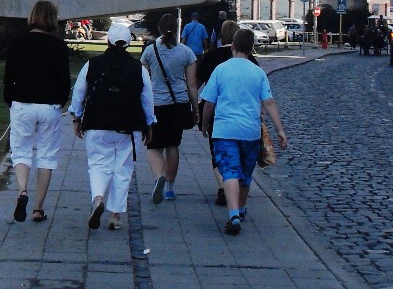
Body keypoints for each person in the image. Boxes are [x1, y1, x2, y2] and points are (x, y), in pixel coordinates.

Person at [200, 28, 288, 236]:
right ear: (251, 49)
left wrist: (204, 125)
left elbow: (209, 103)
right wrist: (280, 130)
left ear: (232, 46)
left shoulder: (221, 70)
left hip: (224, 130)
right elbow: (269, 102)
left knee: (229, 171)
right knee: (245, 174)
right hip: (250, 132)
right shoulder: (257, 72)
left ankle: (233, 215)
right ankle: (240, 208)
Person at [70, 24, 156, 231]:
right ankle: (115, 215)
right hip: (129, 125)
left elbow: (79, 93)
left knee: (98, 165)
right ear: (129, 43)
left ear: (107, 41)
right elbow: (147, 100)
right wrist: (149, 124)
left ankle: (98, 198)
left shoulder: (92, 65)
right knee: (123, 169)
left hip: (96, 123)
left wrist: (77, 118)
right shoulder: (138, 69)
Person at [3, 0, 71, 223]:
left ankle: (22, 190)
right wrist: (61, 101)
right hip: (49, 105)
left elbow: (9, 76)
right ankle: (38, 208)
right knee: (46, 156)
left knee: (20, 151)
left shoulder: (18, 42)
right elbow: (64, 80)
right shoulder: (58, 46)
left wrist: (10, 99)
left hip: (22, 103)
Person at [140, 13, 198, 204]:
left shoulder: (149, 51)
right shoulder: (186, 53)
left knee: (153, 146)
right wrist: (195, 109)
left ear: (159, 28)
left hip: (156, 104)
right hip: (179, 104)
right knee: (173, 145)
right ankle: (170, 188)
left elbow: (145, 81)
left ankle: (159, 177)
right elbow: (191, 84)